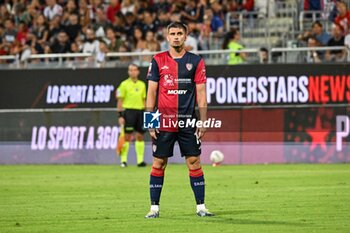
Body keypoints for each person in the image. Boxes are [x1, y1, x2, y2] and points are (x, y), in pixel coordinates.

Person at [144, 22, 214, 218]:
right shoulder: (157, 60)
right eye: (172, 33)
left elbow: (201, 93)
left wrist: (203, 120)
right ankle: (154, 208)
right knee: (159, 163)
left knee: (194, 161)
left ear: (186, 36)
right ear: (167, 37)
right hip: (164, 122)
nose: (176, 37)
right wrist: (150, 120)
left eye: (179, 33)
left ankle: (201, 207)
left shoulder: (196, 61)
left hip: (187, 122)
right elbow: (151, 91)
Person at [116, 63, 147, 168]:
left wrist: (147, 113)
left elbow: (144, 100)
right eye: (130, 70)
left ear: (138, 71)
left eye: (134, 70)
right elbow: (120, 101)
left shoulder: (142, 84)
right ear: (128, 72)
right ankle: (123, 161)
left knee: (140, 136)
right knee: (127, 137)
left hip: (140, 112)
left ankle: (140, 161)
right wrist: (120, 115)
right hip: (128, 112)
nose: (132, 72)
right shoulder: (123, 84)